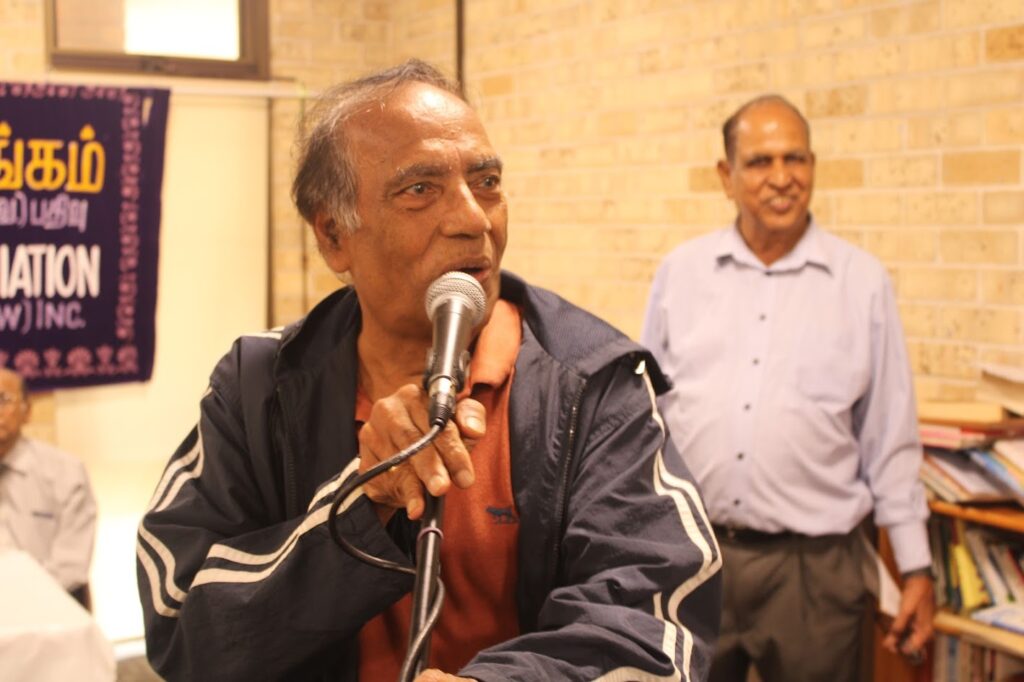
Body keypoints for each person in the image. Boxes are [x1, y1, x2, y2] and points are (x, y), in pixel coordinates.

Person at [136, 59, 722, 681]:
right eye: (419, 189)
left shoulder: (593, 384)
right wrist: (362, 505)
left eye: (487, 181)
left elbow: (657, 627)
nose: (474, 219)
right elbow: (182, 628)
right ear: (333, 236)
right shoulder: (258, 386)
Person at [641, 94, 934, 682]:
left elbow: (890, 440)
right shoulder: (681, 275)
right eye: (760, 161)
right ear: (726, 176)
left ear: (813, 166)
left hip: (816, 577)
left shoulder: (862, 283)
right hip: (697, 559)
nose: (781, 177)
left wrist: (916, 568)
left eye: (795, 159)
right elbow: (650, 418)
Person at [0, 367, 97, 606]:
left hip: (47, 608)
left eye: (3, 399)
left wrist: (17, 598)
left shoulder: (65, 472)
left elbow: (71, 564)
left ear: (27, 411)